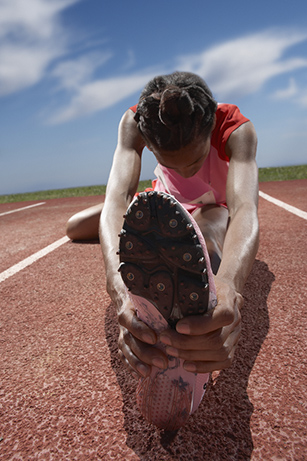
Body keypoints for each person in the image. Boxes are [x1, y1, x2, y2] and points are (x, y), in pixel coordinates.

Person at [66, 71, 259, 380]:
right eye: (173, 165)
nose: (185, 170)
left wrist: (230, 284)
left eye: (194, 163)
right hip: (164, 203)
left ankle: (196, 277)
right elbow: (117, 200)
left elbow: (244, 208)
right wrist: (120, 290)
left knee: (208, 232)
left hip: (214, 206)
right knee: (75, 227)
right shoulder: (134, 122)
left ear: (210, 130)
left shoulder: (236, 128)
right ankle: (167, 240)